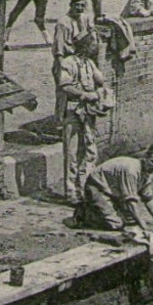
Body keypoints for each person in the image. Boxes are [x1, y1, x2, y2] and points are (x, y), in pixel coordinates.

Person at [80, 144, 153, 300]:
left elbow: (148, 199)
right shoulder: (132, 170)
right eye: (152, 161)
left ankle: (107, 209)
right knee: (116, 224)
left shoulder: (147, 175)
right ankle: (85, 214)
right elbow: (131, 202)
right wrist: (144, 226)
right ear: (145, 158)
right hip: (97, 187)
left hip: (114, 192)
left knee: (127, 220)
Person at [56, 30, 106, 202]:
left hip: (88, 112)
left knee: (89, 151)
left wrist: (99, 92)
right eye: (93, 44)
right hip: (73, 111)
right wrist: (83, 95)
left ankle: (88, 189)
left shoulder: (89, 63)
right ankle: (71, 193)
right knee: (72, 153)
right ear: (85, 45)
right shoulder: (68, 63)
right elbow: (64, 85)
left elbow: (101, 80)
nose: (95, 47)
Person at [51, 0, 97, 125]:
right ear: (71, 5)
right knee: (63, 94)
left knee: (80, 91)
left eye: (83, 5)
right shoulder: (63, 23)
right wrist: (62, 68)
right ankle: (59, 124)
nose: (80, 8)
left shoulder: (84, 18)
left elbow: (92, 31)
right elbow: (58, 48)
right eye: (77, 5)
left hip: (79, 61)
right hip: (65, 60)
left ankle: (76, 122)